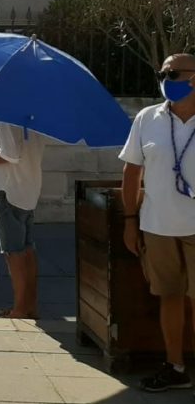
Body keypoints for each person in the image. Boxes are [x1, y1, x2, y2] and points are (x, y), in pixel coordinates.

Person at [120, 54, 195, 392]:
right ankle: (175, 366)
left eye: (174, 73)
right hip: (157, 225)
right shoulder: (148, 117)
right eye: (163, 73)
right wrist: (130, 220)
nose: (166, 78)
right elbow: (132, 171)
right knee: (169, 296)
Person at [0, 122, 45, 319]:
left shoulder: (7, 121)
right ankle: (29, 304)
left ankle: (20, 308)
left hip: (9, 190)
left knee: (13, 252)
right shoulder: (36, 122)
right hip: (28, 188)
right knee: (27, 249)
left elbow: (9, 154)